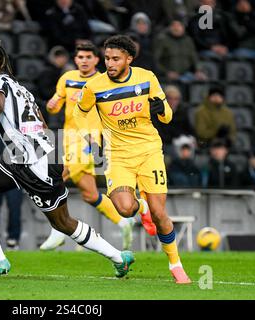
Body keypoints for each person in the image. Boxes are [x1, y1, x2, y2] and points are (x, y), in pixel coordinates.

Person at [0, 42, 134, 279]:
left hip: (31, 160)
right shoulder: (20, 87)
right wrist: (55, 156)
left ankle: (118, 256)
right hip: (29, 154)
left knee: (63, 223)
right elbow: (42, 121)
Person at [74, 35, 191, 283]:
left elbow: (167, 115)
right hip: (117, 156)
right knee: (125, 209)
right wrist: (90, 139)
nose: (110, 63)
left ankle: (175, 264)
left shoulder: (146, 77)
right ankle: (143, 207)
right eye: (106, 58)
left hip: (149, 150)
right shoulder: (94, 86)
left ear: (129, 58)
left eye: (115, 59)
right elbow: (80, 114)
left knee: (161, 216)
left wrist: (162, 110)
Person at [40, 41, 135, 252]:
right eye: (80, 57)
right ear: (75, 60)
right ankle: (123, 222)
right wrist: (51, 105)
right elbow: (53, 106)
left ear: (96, 60)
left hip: (89, 140)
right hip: (66, 138)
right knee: (89, 194)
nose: (84, 61)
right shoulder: (67, 78)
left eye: (88, 57)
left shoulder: (103, 82)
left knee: (54, 177)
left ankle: (58, 229)